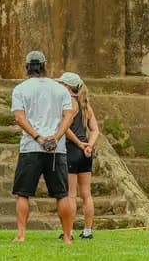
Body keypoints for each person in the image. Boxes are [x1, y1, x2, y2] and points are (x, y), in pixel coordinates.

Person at [11, 50, 76, 244]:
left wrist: (38, 137)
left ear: (27, 67)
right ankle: (67, 237)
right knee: (62, 194)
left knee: (23, 193)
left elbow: (19, 118)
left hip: (31, 147)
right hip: (56, 149)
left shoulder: (21, 89)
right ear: (45, 66)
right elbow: (69, 116)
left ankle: (21, 234)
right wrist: (55, 137)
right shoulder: (60, 89)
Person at [59, 72, 100, 240]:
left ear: (68, 87)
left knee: (71, 194)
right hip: (85, 153)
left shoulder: (69, 104)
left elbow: (65, 128)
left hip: (72, 149)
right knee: (86, 194)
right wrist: (89, 145)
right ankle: (88, 231)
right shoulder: (85, 105)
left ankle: (68, 232)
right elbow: (95, 130)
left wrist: (79, 143)